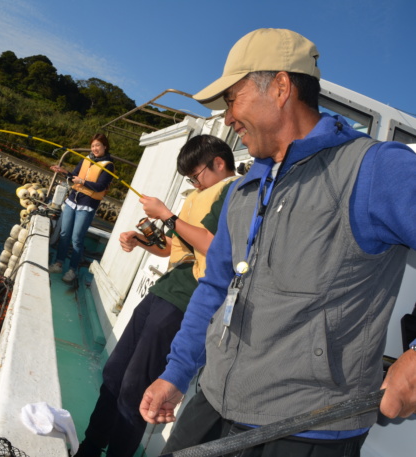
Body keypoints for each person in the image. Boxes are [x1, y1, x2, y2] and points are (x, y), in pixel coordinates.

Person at [139, 28, 416, 456]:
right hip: (211, 405)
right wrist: (177, 374)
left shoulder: (376, 169)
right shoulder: (242, 189)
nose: (228, 118)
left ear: (282, 87)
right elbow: (215, 289)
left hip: (306, 432)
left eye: (232, 98)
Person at [74, 135, 238, 457]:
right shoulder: (201, 194)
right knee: (115, 373)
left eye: (196, 176)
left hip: (187, 300)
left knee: (137, 387)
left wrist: (166, 215)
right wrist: (139, 241)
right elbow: (171, 249)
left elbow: (215, 249)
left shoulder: (234, 192)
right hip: (163, 292)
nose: (195, 184)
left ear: (219, 163)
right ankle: (89, 448)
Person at [50, 133, 114, 283]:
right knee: (64, 233)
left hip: (87, 206)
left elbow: (100, 187)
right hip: (72, 201)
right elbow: (74, 176)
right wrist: (63, 172)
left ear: (105, 146)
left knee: (77, 239)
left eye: (98, 145)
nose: (95, 148)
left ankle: (72, 270)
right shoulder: (86, 160)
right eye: (93, 146)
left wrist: (82, 181)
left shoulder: (109, 166)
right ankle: (58, 263)